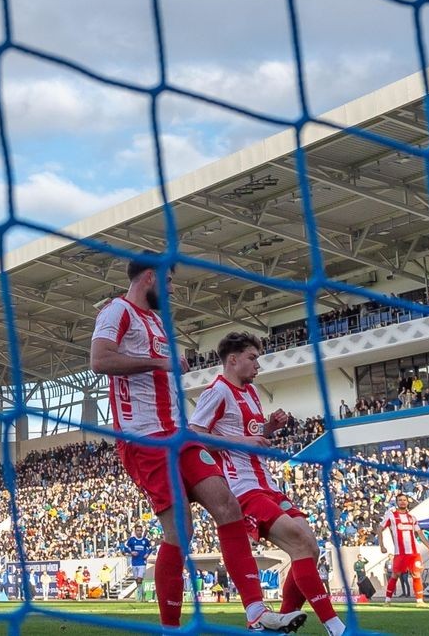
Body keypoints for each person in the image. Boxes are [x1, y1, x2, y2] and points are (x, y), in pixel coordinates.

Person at [90, 252, 305, 632]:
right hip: (143, 439)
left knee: (228, 506)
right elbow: (100, 359)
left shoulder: (156, 322)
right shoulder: (116, 312)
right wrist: (161, 363)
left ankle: (256, 613)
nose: (173, 288)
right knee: (181, 532)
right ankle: (170, 628)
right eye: (169, 280)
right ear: (150, 277)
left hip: (179, 435)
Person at [189, 330, 345, 636]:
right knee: (299, 542)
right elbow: (193, 437)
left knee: (310, 547)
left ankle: (282, 623)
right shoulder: (216, 392)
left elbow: (247, 436)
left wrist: (268, 428)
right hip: (242, 488)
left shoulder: (250, 392)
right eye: (252, 358)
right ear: (232, 360)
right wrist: (245, 439)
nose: (258, 365)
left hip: (268, 484)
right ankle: (336, 627)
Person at [379, 493, 429, 606]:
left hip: (414, 553)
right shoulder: (391, 515)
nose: (402, 502)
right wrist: (382, 545)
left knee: (416, 574)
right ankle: (387, 600)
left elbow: (419, 533)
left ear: (407, 502)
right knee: (395, 575)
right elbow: (380, 529)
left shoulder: (412, 518)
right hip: (400, 553)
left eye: (404, 500)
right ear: (396, 502)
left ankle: (420, 601)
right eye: (400, 500)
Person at [124, 524, 153, 602]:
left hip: (142, 562)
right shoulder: (132, 540)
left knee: (140, 579)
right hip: (134, 562)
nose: (139, 532)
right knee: (137, 580)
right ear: (135, 531)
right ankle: (143, 593)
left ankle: (139, 597)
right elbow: (125, 547)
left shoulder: (145, 540)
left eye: (140, 530)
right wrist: (131, 552)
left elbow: (150, 548)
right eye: (138, 530)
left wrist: (147, 554)